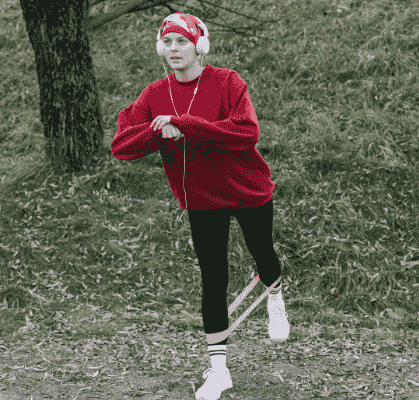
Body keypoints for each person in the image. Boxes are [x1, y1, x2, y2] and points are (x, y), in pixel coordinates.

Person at [110, 12, 289, 400]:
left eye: (182, 42)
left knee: (263, 254)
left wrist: (185, 123)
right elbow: (121, 145)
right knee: (213, 279)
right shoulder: (155, 93)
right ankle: (219, 371)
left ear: (199, 46)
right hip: (203, 199)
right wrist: (158, 128)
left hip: (247, 189)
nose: (174, 50)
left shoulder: (228, 82)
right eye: (167, 42)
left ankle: (274, 296)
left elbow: (246, 132)